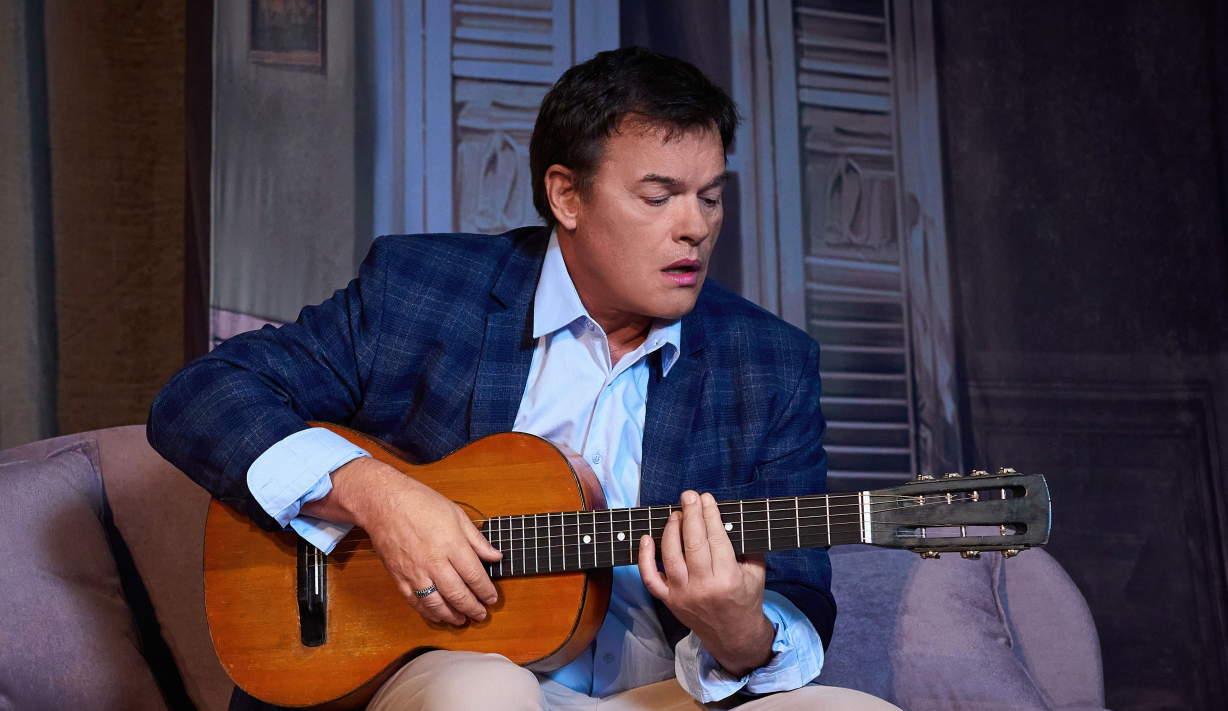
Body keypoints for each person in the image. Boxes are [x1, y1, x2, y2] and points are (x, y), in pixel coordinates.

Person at [148, 47, 898, 711]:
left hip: (663, 692)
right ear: (566, 195)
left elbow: (796, 595)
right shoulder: (423, 288)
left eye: (710, 196)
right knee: (487, 691)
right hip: (436, 679)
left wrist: (738, 628)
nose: (695, 227)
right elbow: (201, 396)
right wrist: (379, 496)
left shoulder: (769, 361)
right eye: (658, 196)